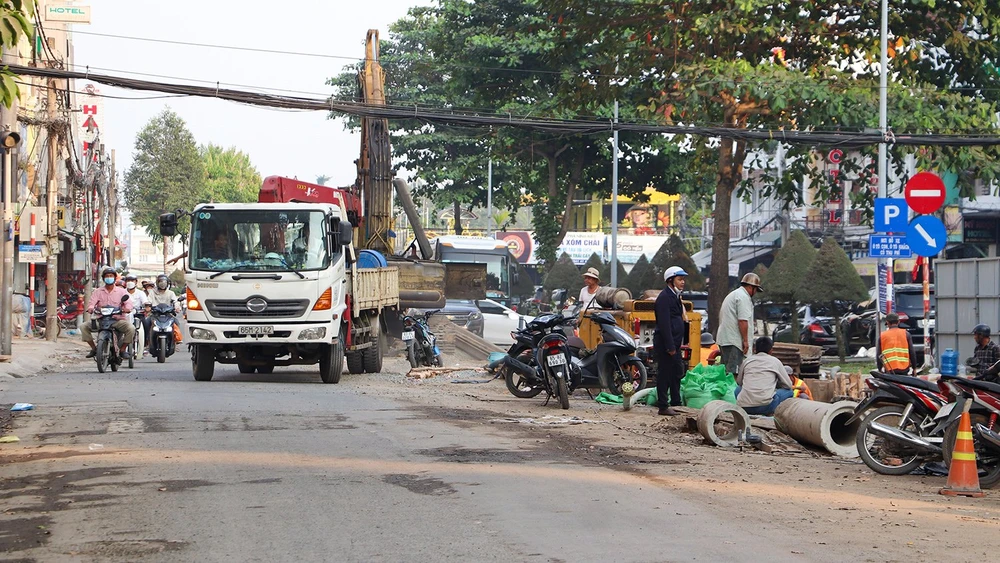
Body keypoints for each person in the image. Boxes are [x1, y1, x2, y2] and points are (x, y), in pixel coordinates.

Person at [654, 266, 689, 416]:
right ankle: (663, 405)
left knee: (676, 372)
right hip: (666, 344)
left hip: (675, 343)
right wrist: (670, 346)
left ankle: (676, 402)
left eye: (683, 279)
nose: (683, 282)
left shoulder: (676, 296)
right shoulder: (664, 298)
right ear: (670, 280)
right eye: (680, 279)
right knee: (665, 373)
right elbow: (664, 324)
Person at [81, 267, 135, 359]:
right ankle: (94, 348)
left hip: (117, 321)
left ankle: (122, 349)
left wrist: (127, 309)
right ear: (103, 278)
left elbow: (128, 304)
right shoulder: (98, 291)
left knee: (131, 328)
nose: (109, 277)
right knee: (83, 326)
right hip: (101, 320)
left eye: (111, 276)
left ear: (114, 278)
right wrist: (90, 308)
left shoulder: (122, 291)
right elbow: (92, 303)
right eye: (107, 276)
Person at [735, 336, 795, 415]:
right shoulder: (775, 361)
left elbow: (739, 382)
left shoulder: (747, 361)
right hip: (766, 407)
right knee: (789, 392)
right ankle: (772, 413)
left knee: (737, 390)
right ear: (771, 350)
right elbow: (788, 385)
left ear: (755, 349)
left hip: (745, 406)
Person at [717, 272, 763, 375]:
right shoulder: (743, 297)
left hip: (727, 339)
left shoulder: (735, 294)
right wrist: (746, 341)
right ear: (752, 287)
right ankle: (732, 391)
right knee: (733, 373)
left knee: (726, 371)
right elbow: (742, 320)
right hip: (735, 341)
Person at [145, 274, 179, 351]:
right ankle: (147, 342)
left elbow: (175, 301)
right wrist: (148, 306)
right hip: (155, 314)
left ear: (167, 283)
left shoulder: (171, 293)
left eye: (164, 282)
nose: (162, 283)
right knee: (146, 323)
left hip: (168, 314)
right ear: (157, 283)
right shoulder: (152, 292)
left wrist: (177, 307)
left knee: (176, 323)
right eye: (160, 281)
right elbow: (148, 301)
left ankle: (175, 341)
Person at [124, 274, 149, 354]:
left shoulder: (140, 293)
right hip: (124, 314)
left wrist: (147, 307)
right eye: (128, 280)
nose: (130, 282)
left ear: (136, 282)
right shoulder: (122, 292)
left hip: (138, 314)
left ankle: (144, 344)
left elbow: (145, 302)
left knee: (146, 324)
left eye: (132, 280)